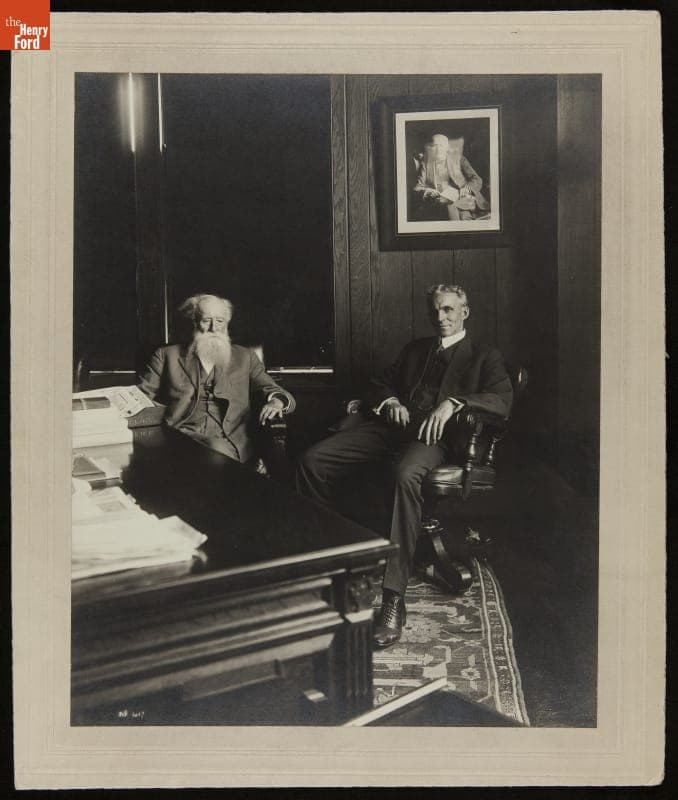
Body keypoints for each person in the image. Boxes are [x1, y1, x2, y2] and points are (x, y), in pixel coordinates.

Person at [296, 285, 512, 648]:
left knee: (404, 473)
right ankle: (326, 567)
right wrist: (391, 401)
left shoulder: (483, 355)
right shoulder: (415, 349)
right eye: (435, 312)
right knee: (312, 460)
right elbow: (378, 384)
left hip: (434, 440)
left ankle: (393, 597)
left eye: (448, 311)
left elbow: (502, 400)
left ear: (465, 312)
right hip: (390, 429)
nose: (440, 318)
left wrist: (454, 404)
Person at [138, 293, 295, 464]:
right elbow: (142, 396)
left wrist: (276, 402)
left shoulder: (245, 357)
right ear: (194, 321)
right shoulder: (166, 355)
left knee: (218, 454)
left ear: (227, 323)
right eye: (206, 320)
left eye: (220, 321)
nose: (214, 328)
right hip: (182, 435)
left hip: (232, 437)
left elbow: (273, 390)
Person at [413, 133, 490, 221]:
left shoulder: (460, 159)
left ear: (447, 148)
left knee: (460, 214)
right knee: (450, 209)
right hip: (441, 201)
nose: (438, 150)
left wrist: (467, 188)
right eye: (434, 146)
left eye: (441, 146)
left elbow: (477, 179)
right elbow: (418, 187)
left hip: (463, 197)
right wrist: (428, 192)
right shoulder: (426, 164)